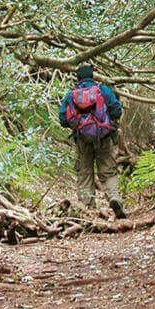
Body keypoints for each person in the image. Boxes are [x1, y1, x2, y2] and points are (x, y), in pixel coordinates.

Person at [58, 63, 126, 218]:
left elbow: (62, 118)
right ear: (92, 76)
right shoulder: (103, 91)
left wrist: (79, 126)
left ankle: (88, 210)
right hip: (105, 138)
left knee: (85, 174)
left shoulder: (71, 95)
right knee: (108, 172)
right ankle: (115, 199)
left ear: (78, 78)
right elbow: (116, 110)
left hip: (82, 140)